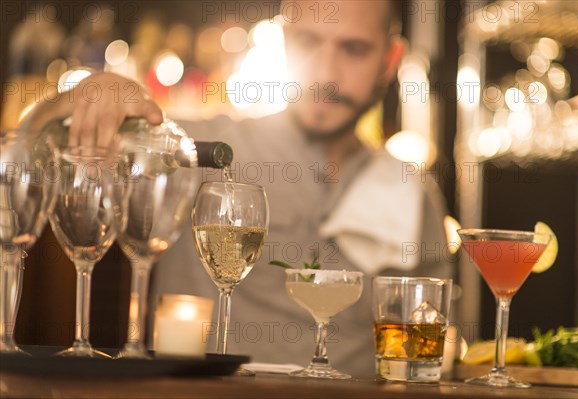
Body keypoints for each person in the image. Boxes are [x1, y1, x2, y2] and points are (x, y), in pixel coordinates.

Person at [23, 0, 451, 377]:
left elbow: (429, 352)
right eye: (308, 42)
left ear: (390, 59)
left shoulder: (412, 191)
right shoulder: (192, 149)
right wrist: (84, 97)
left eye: (353, 48)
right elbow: (28, 150)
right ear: (284, 43)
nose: (326, 72)